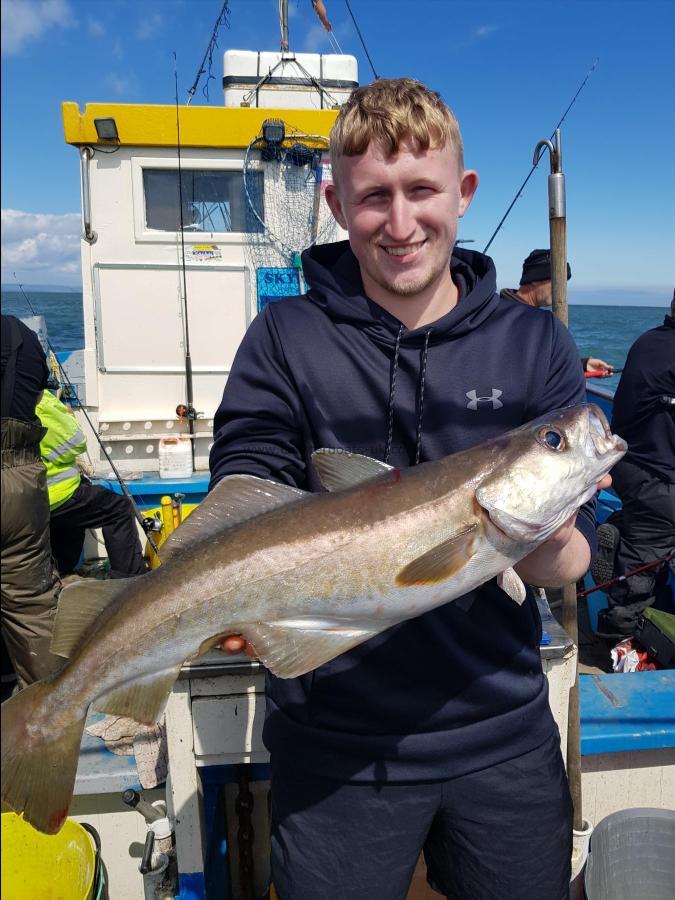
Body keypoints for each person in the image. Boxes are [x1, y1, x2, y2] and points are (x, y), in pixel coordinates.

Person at [209, 79, 609, 900]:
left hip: (499, 735)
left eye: (421, 191)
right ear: (334, 201)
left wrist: (539, 533)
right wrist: (235, 600)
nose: (399, 224)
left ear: (461, 193)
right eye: (372, 198)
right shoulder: (284, 337)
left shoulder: (533, 343)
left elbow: (567, 561)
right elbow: (246, 477)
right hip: (332, 742)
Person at [593, 292, 675, 638]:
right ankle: (617, 635)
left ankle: (618, 530)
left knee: (646, 530)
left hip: (628, 463)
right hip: (655, 476)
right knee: (647, 552)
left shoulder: (649, 340)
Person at [1, 314, 62, 688]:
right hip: (21, 482)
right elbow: (37, 393)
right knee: (34, 610)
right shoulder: (19, 335)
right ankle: (49, 719)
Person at [35, 388, 147, 579]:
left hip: (25, 499)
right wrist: (68, 415)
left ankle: (61, 573)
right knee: (118, 509)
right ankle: (129, 580)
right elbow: (74, 444)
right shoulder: (39, 400)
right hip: (54, 493)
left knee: (77, 505)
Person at [500, 249, 614, 375]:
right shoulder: (507, 317)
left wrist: (582, 365)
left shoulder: (530, 316)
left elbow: (541, 363)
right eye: (556, 281)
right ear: (535, 278)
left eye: (564, 283)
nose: (561, 289)